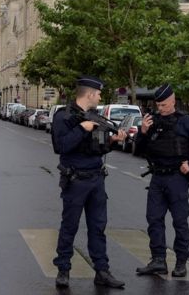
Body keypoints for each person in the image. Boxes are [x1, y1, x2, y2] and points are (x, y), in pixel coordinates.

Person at [51, 76, 127, 289]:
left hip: (96, 179)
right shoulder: (63, 116)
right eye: (99, 93)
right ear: (90, 94)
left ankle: (102, 271)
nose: (101, 96)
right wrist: (81, 129)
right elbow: (61, 146)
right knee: (69, 227)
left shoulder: (95, 117)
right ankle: (63, 270)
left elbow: (99, 148)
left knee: (98, 226)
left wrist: (112, 141)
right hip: (75, 180)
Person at [135, 84, 189, 277]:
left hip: (176, 179)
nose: (160, 108)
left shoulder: (187, 122)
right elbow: (138, 150)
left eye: (163, 105)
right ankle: (158, 260)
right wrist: (143, 132)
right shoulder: (151, 121)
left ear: (173, 100)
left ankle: (181, 262)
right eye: (158, 105)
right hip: (157, 178)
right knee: (154, 219)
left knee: (180, 221)